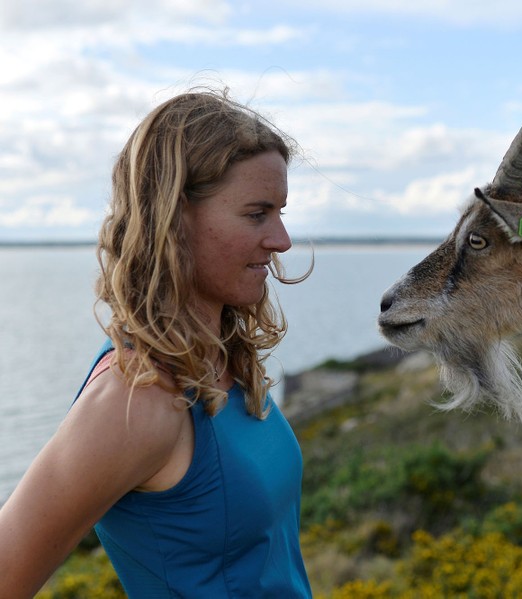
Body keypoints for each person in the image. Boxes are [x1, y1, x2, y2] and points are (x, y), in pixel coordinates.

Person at [0, 90, 313, 597]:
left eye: (280, 211)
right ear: (174, 218)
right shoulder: (136, 399)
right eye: (257, 214)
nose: (282, 239)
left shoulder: (220, 360)